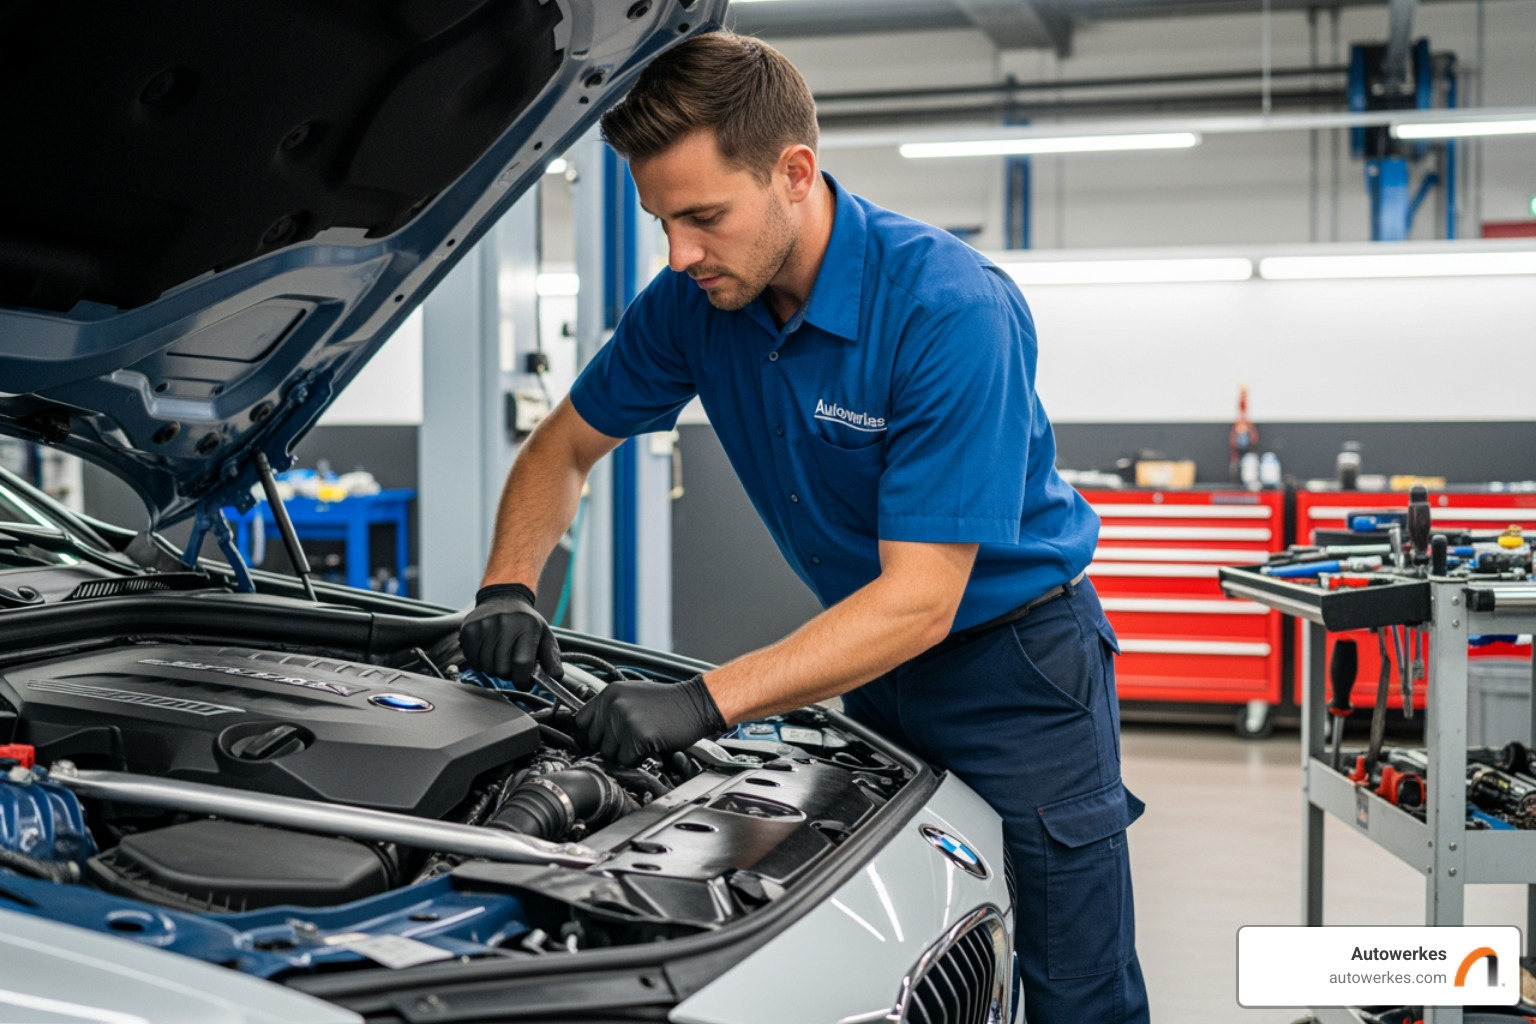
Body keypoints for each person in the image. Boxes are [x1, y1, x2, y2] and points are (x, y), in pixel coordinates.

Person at [459, 32, 1149, 1024]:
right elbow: (561, 447)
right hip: (869, 665)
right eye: (662, 222)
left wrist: (702, 701)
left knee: (1074, 985)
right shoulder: (691, 306)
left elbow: (922, 599)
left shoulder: (948, 310)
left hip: (1019, 674)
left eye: (703, 217)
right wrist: (508, 584)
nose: (680, 254)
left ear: (793, 173)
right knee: (907, 942)